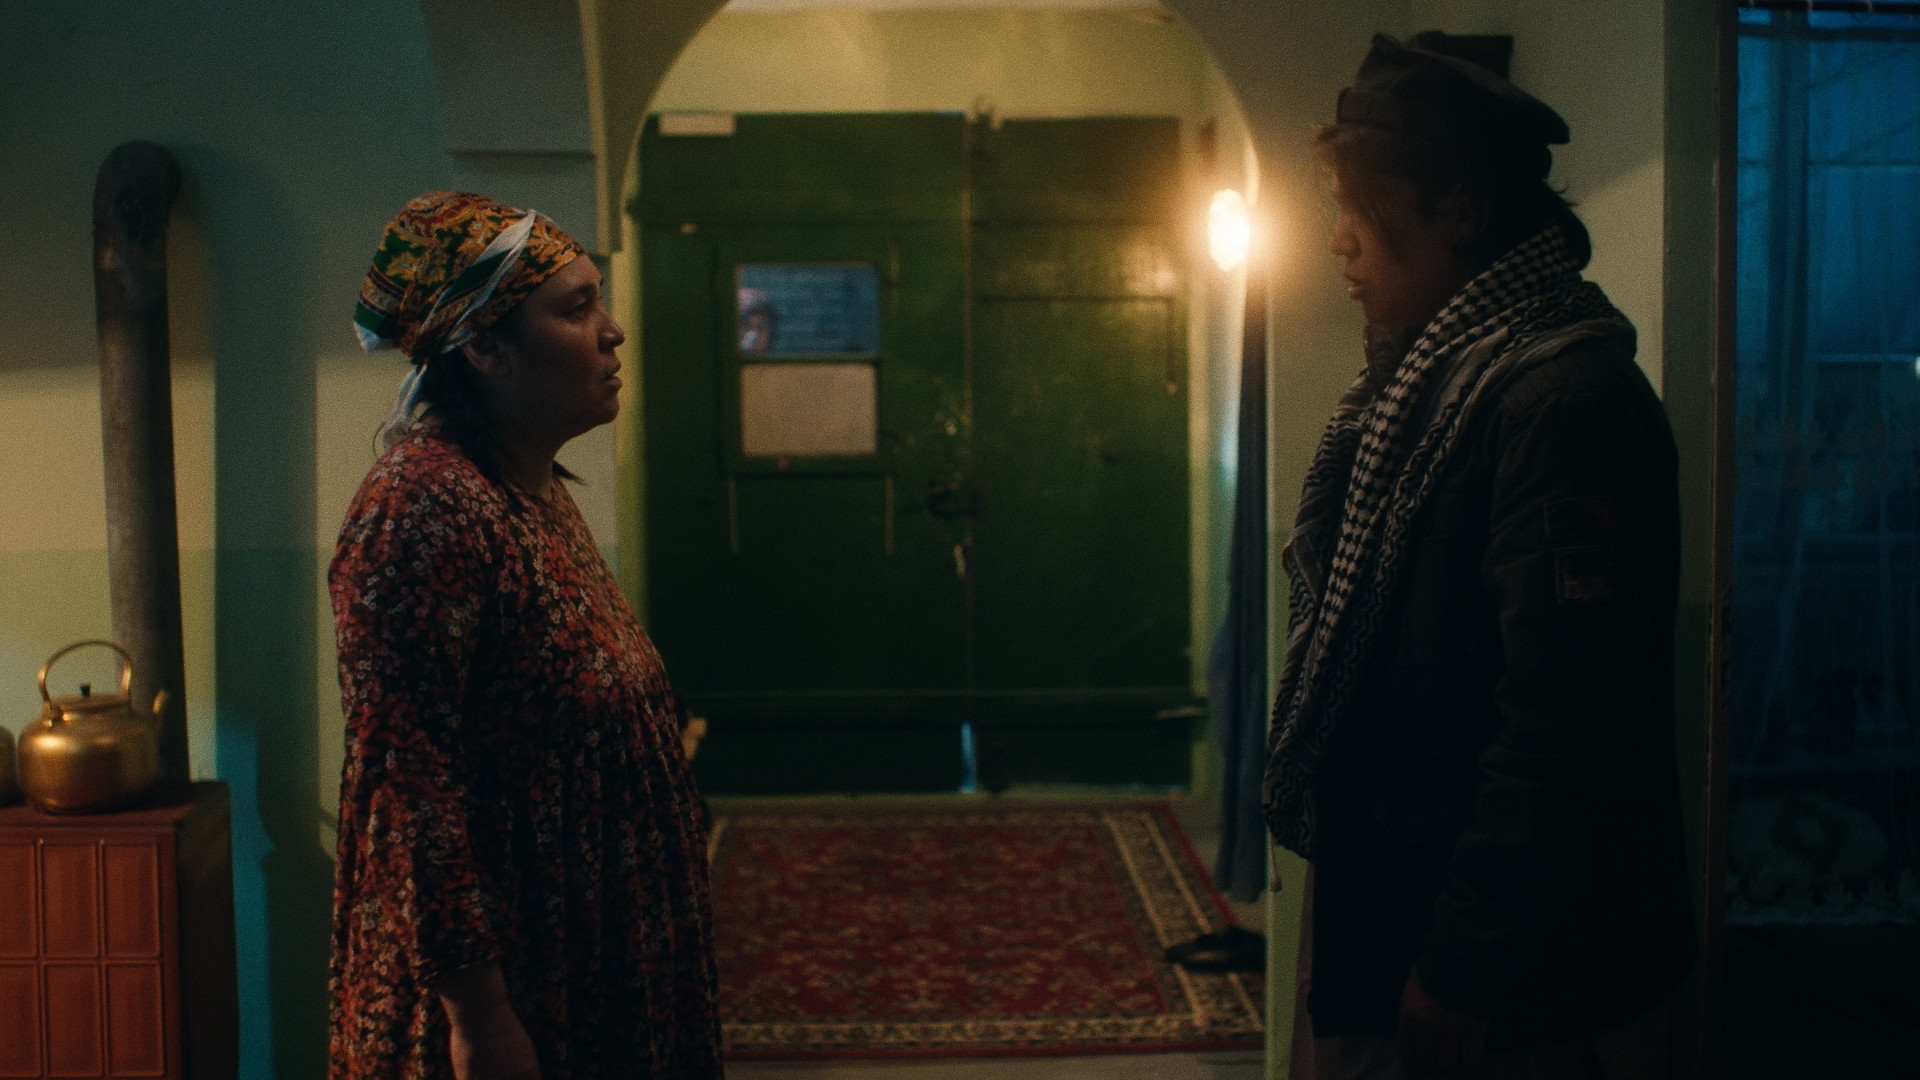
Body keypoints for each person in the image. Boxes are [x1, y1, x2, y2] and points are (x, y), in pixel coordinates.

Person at [1262, 33, 1697, 1079]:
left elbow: (1565, 723)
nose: (1337, 242)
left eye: (1359, 209)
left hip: (1499, 968)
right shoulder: (1427, 387)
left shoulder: (1557, 401)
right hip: (1405, 896)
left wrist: (1468, 958)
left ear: (1460, 211)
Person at [327, 192, 723, 1080]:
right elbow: (407, 786)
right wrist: (480, 1018)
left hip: (589, 960)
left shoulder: (528, 491)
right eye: (576, 308)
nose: (613, 331)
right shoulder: (421, 509)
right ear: (485, 348)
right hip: (517, 989)